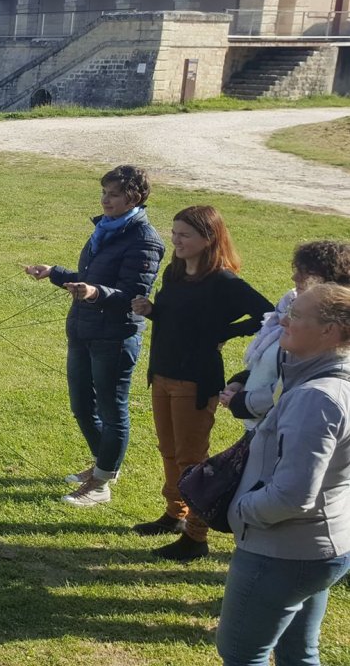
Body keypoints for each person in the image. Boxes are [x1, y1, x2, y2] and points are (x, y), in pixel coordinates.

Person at [129, 206, 272, 562]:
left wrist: (224, 332)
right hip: (161, 371)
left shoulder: (223, 281)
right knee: (168, 450)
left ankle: (197, 536)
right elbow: (177, 316)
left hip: (195, 379)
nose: (175, 240)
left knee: (192, 457)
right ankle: (174, 514)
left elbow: (267, 315)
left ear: (209, 238)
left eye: (184, 235)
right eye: (174, 232)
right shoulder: (175, 272)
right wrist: (152, 309)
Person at [219, 283, 350, 666]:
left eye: (296, 315)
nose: (283, 320)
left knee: (243, 655)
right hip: (320, 546)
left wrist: (243, 511)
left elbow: (293, 495)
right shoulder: (326, 380)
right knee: (298, 653)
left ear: (330, 330)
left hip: (282, 551)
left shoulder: (317, 397)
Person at [25, 164, 164, 507]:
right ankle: (104, 465)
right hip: (84, 329)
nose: (106, 199)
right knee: (82, 406)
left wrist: (95, 293)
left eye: (114, 194)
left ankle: (101, 484)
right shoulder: (105, 229)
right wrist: (55, 273)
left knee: (112, 408)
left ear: (135, 196)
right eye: (104, 192)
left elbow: (134, 296)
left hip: (115, 337)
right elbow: (91, 276)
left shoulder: (144, 240)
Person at [222, 241, 350, 432]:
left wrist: (244, 403)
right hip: (262, 427)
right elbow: (275, 361)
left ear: (329, 282)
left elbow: (291, 383)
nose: (294, 277)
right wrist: (243, 379)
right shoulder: (291, 304)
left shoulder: (320, 329)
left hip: (281, 429)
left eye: (305, 272)